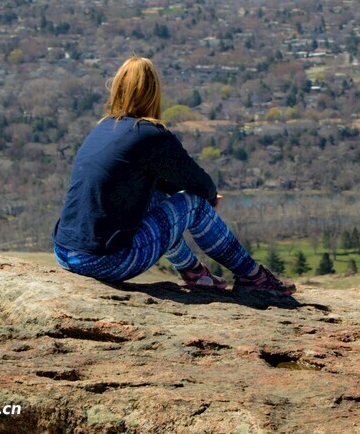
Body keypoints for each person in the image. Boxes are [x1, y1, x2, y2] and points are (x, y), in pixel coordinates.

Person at [52, 56, 294, 295]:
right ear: (153, 92)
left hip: (65, 252)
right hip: (107, 261)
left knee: (155, 198)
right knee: (193, 204)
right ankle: (252, 276)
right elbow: (200, 184)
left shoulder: (104, 127)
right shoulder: (150, 134)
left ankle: (194, 273)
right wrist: (209, 200)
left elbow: (158, 185)